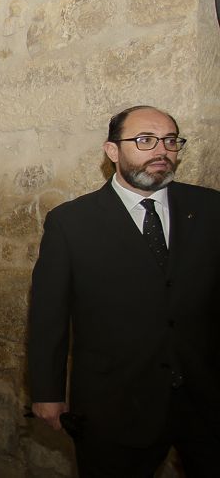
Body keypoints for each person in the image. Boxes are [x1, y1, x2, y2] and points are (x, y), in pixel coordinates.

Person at [29, 105, 220, 476]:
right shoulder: (71, 223)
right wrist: (47, 392)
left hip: (205, 398)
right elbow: (48, 315)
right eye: (145, 140)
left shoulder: (210, 208)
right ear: (112, 151)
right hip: (115, 404)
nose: (161, 150)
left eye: (170, 140)